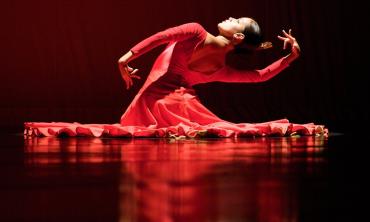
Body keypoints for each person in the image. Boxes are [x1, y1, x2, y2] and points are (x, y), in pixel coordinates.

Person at [24, 17, 327, 138]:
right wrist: (290, 57)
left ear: (236, 35)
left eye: (236, 19)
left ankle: (173, 110)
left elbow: (160, 37)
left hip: (163, 86)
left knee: (139, 128)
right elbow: (259, 76)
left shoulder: (197, 30)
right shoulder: (222, 68)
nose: (229, 16)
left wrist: (125, 58)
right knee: (181, 124)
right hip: (179, 87)